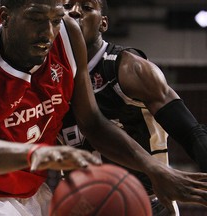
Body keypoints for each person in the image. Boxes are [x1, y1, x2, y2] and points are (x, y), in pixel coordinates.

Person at [0, 0, 207, 215]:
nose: (48, 32)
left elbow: (93, 123)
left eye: (56, 18)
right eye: (36, 18)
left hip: (37, 190)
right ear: (5, 16)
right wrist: (43, 153)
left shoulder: (72, 39)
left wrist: (155, 170)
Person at [59, 0, 207, 215]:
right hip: (83, 204)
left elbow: (191, 133)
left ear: (104, 24)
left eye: (87, 7)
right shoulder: (47, 76)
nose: (74, 11)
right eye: (66, 6)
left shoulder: (129, 68)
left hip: (143, 203)